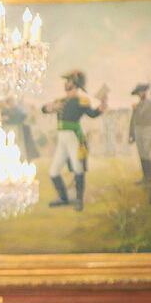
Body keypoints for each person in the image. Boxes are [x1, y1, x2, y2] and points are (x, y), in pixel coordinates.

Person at [41, 70, 106, 211]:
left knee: (78, 168)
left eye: (69, 80)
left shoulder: (82, 101)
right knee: (53, 171)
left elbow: (92, 114)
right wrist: (49, 107)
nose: (66, 83)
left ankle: (79, 200)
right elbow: (44, 109)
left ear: (75, 84)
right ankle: (64, 198)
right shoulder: (60, 101)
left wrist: (100, 109)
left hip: (74, 138)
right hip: (62, 139)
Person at [129, 82, 151, 189]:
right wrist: (131, 134)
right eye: (139, 92)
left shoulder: (149, 103)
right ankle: (145, 177)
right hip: (138, 130)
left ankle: (149, 177)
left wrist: (136, 109)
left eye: (142, 91)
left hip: (147, 130)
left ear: (145, 92)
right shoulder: (136, 105)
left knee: (146, 153)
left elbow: (143, 114)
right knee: (141, 154)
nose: (141, 93)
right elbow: (133, 120)